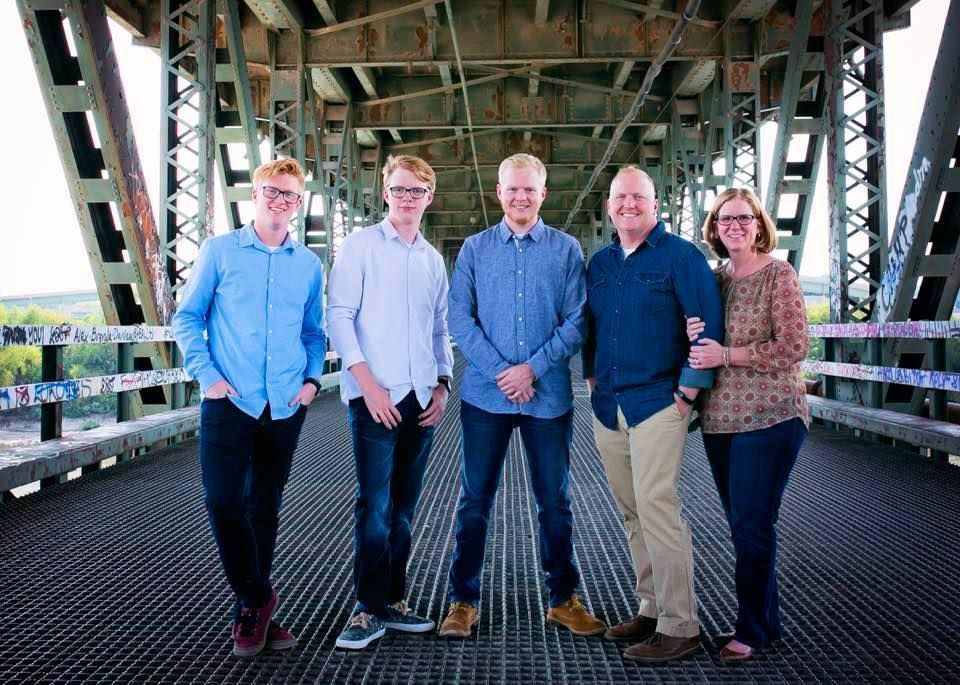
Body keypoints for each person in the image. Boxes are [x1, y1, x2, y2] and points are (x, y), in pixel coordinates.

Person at [439, 153, 605, 639]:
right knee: (474, 502)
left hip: (547, 396)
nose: (520, 196)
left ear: (543, 193)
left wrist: (531, 369)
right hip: (484, 400)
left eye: (529, 189)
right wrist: (502, 373)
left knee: (554, 503)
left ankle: (563, 599)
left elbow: (578, 321)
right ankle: (462, 601)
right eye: (512, 188)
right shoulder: (473, 249)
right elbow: (460, 319)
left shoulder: (566, 249)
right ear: (498, 192)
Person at [173, 158, 325, 658]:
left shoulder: (308, 265)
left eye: (289, 196)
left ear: (299, 205)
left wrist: (309, 382)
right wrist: (209, 378)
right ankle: (259, 596)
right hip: (229, 400)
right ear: (254, 195)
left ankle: (250, 613)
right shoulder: (220, 252)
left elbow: (312, 332)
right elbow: (187, 318)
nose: (279, 202)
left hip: (284, 403)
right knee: (222, 501)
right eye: (271, 192)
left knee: (264, 507)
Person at [582, 166, 723, 663]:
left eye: (638, 198)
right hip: (609, 404)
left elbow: (709, 323)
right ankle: (651, 607)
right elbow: (591, 326)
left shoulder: (682, 257)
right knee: (632, 510)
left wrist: (688, 389)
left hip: (660, 402)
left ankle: (680, 624)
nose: (628, 206)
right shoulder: (599, 264)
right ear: (609, 206)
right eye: (620, 198)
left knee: (658, 505)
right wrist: (591, 375)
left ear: (655, 204)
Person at [326, 154, 454, 650]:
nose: (407, 198)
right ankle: (365, 608)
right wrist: (367, 384)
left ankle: (394, 601)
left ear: (429, 197)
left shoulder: (430, 259)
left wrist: (444, 386)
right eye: (399, 189)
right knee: (374, 506)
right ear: (385, 193)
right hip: (374, 398)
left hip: (421, 397)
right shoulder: (360, 246)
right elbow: (339, 316)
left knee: (404, 507)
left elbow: (441, 329)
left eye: (417, 191)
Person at [685, 187, 809, 663]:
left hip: (772, 415)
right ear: (714, 229)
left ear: (759, 224)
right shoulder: (715, 280)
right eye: (724, 219)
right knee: (745, 527)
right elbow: (700, 341)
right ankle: (767, 620)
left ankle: (751, 629)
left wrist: (728, 354)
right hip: (721, 421)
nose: (733, 226)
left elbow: (794, 348)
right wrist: (693, 334)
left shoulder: (779, 274)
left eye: (743, 218)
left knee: (752, 524)